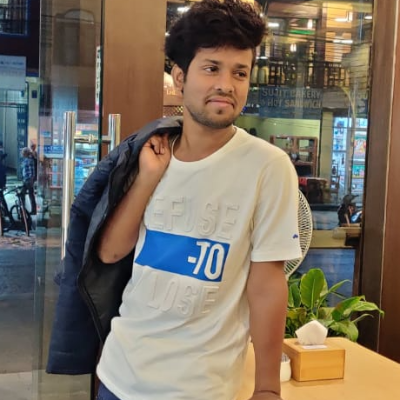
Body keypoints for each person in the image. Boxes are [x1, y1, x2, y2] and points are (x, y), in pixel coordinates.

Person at [46, 2, 301, 400]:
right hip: (119, 375)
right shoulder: (149, 153)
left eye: (240, 72)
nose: (226, 84)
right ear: (180, 77)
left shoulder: (268, 167)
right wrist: (148, 179)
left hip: (201, 387)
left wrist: (267, 387)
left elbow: (267, 283)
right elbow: (110, 252)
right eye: (211, 68)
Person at [20, 147, 37, 215]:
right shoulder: (26, 160)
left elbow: (31, 171)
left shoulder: (29, 160)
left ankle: (24, 210)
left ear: (25, 153)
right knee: (30, 195)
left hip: (28, 180)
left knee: (26, 194)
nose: (21, 154)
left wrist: (31, 179)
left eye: (22, 152)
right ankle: (28, 210)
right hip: (26, 180)